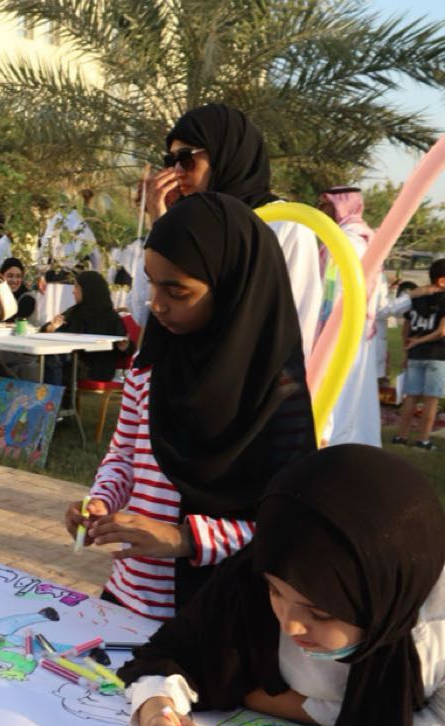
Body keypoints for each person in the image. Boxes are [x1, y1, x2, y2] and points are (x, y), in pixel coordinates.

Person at [119, 444, 445, 726]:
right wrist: (156, 714)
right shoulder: (254, 575)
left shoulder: (435, 630)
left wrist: (280, 704)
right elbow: (168, 655)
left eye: (320, 613)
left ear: (388, 600)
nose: (289, 624)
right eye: (275, 592)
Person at [64, 193, 315, 619]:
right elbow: (124, 455)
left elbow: (286, 525)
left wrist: (184, 539)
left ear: (232, 288)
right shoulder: (150, 366)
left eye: (177, 291)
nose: (157, 304)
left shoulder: (274, 397)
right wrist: (101, 502)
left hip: (212, 614)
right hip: (129, 594)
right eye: (151, 283)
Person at [145, 104, 321, 363]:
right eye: (171, 162)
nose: (178, 171)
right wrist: (161, 229)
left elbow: (295, 325)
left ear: (225, 154)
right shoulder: (190, 225)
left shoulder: (284, 226)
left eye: (186, 158)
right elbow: (150, 309)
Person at [315, 186, 381, 446]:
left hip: (340, 326)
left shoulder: (347, 240)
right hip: (354, 325)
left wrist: (324, 323)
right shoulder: (362, 236)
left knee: (339, 387)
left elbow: (335, 288)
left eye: (325, 204)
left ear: (340, 205)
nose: (320, 210)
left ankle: (338, 442)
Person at [392, 259, 445, 450]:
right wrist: (420, 341)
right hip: (437, 356)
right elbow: (441, 332)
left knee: (411, 397)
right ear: (442, 281)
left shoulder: (416, 298)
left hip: (415, 355)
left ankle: (401, 437)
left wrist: (408, 349)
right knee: (431, 399)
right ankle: (423, 440)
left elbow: (405, 330)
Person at [40, 270, 127, 385]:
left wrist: (124, 347)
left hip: (96, 370)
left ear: (87, 290)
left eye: (76, 287)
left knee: (52, 359)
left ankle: (54, 395)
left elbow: (122, 348)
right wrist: (51, 328)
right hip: (72, 365)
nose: (73, 291)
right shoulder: (75, 311)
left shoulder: (110, 317)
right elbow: (52, 329)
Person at [0, 258, 36, 322]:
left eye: (18, 276)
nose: (14, 280)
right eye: (10, 276)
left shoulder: (27, 299)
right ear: (2, 276)